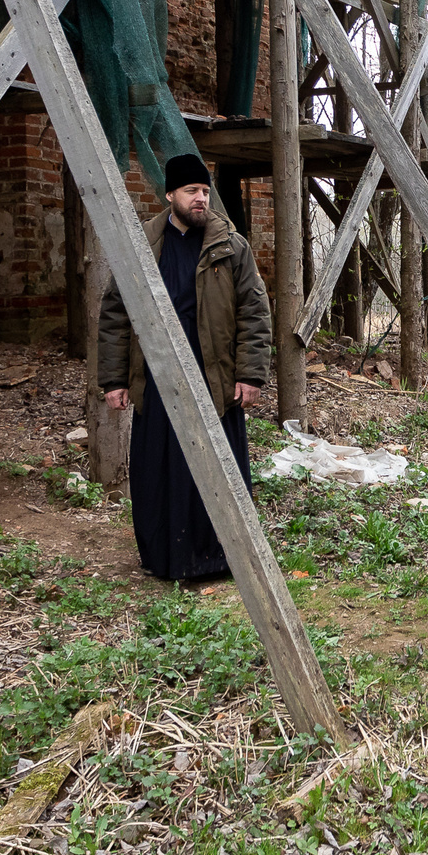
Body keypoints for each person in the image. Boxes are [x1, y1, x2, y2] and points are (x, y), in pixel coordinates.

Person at [97, 152, 272, 584]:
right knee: (160, 468)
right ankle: (166, 558)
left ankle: (220, 556)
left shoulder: (230, 245)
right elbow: (116, 313)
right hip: (158, 376)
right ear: (170, 195)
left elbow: (254, 311)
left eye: (205, 192)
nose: (201, 199)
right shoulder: (143, 244)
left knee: (218, 467)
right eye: (192, 191)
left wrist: (250, 374)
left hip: (215, 375)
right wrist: (115, 379)